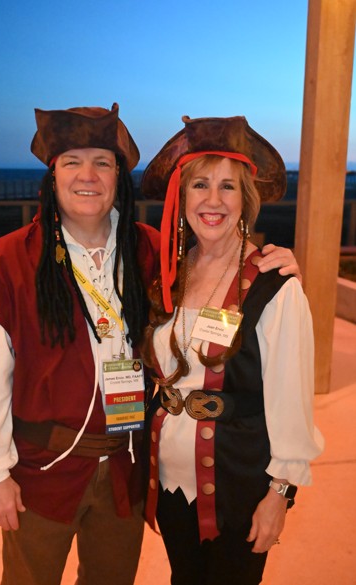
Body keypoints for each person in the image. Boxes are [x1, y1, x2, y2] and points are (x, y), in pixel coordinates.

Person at [0, 104, 301, 585]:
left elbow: (221, 266)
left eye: (103, 162)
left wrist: (276, 264)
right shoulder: (6, 263)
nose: (88, 176)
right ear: (52, 175)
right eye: (72, 162)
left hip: (127, 468)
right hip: (42, 472)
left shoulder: (151, 251)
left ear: (119, 175)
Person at [140, 115, 324, 585]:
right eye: (200, 185)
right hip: (170, 484)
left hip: (239, 487)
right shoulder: (168, 274)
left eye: (228, 187)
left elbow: (291, 400)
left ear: (246, 199)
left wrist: (280, 494)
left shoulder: (275, 286)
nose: (213, 200)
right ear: (182, 197)